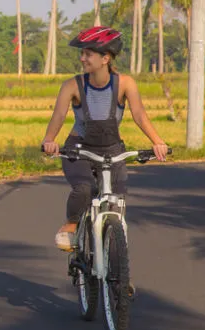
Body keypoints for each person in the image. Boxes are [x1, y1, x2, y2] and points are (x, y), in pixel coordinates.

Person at [40, 26, 169, 251]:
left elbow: (139, 114)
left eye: (88, 54)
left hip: (112, 149)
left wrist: (158, 142)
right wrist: (49, 140)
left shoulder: (125, 83)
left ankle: (118, 269)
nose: (82, 58)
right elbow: (59, 115)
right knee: (84, 189)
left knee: (116, 201)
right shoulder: (73, 85)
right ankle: (71, 225)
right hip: (79, 149)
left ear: (105, 58)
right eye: (82, 54)